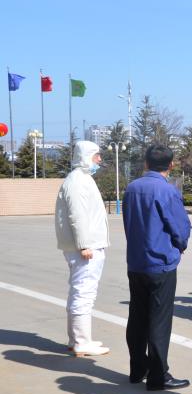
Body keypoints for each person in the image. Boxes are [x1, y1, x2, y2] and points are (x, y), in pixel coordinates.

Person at [123, 144, 191, 390]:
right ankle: (158, 375)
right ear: (171, 165)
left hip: (136, 262)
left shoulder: (132, 188)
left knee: (137, 317)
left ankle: (137, 368)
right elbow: (180, 227)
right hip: (160, 263)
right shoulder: (167, 190)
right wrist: (180, 245)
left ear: (146, 163)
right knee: (159, 322)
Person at [55, 141, 110, 357]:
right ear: (86, 156)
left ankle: (77, 339)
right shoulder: (77, 181)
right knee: (84, 293)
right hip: (87, 247)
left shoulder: (82, 179)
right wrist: (84, 244)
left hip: (87, 244)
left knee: (80, 292)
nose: (99, 159)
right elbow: (76, 215)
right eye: (97, 155)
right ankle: (81, 342)